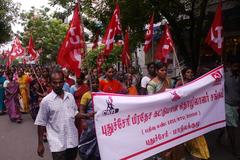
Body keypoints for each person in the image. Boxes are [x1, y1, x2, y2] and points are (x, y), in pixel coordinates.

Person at [35, 70, 91, 160]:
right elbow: (41, 123)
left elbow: (74, 114)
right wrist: (40, 144)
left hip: (72, 140)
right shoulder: (46, 101)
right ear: (50, 82)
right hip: (57, 143)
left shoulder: (70, 97)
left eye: (60, 82)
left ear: (64, 82)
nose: (58, 85)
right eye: (54, 82)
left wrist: (86, 116)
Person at [147, 61, 185, 160]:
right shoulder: (152, 84)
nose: (164, 72)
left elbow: (175, 93)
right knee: (163, 141)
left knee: (174, 140)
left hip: (171, 114)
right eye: (162, 70)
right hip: (158, 117)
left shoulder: (169, 81)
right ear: (156, 71)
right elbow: (150, 102)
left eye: (165, 70)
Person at [175, 67, 210, 160]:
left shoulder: (196, 83)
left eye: (191, 72)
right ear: (184, 74)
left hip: (194, 111)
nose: (190, 74)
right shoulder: (179, 83)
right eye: (188, 72)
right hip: (183, 113)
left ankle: (198, 152)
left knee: (196, 133)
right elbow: (175, 97)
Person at [79, 78, 100, 160]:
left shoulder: (101, 94)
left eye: (96, 83)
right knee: (87, 140)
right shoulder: (86, 95)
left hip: (99, 122)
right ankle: (85, 154)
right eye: (93, 83)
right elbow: (81, 110)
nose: (95, 84)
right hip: (90, 123)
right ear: (88, 85)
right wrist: (83, 121)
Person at [223, 57, 240, 159]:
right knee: (232, 127)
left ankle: (220, 134)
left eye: (238, 66)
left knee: (233, 125)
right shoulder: (225, 76)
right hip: (227, 104)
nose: (236, 68)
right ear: (230, 66)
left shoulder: (239, 75)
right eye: (234, 66)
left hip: (237, 105)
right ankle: (235, 149)